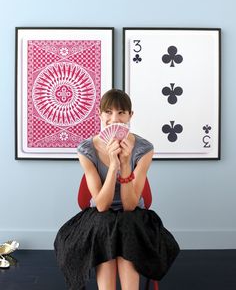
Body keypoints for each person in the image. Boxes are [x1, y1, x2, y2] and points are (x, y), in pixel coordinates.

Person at [54, 89, 180, 290]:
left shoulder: (144, 149)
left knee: (126, 225)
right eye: (108, 112)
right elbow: (102, 205)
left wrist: (126, 164)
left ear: (130, 115)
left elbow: (130, 205)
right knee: (106, 225)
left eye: (121, 112)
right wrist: (113, 165)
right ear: (100, 114)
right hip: (100, 216)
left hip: (133, 216)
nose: (114, 119)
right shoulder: (86, 150)